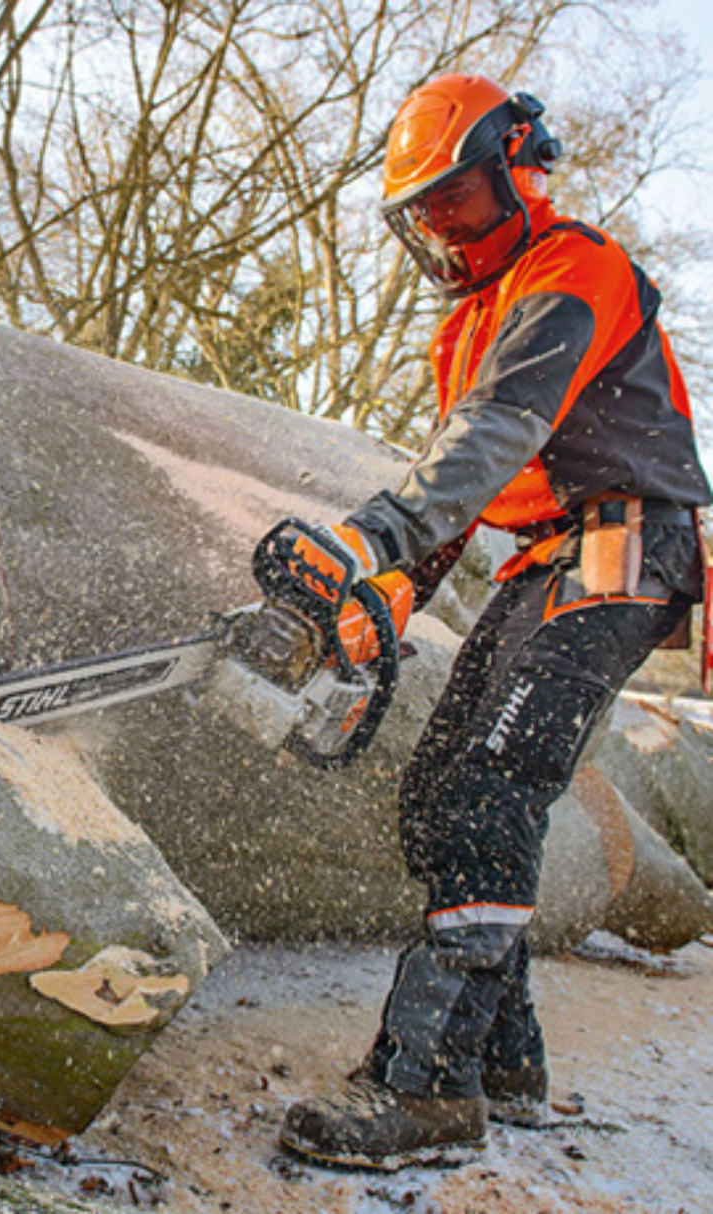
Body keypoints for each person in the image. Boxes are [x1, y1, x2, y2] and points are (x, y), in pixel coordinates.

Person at [276, 72, 712, 1171]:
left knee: (488, 787)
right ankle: (503, 1064)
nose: (440, 226)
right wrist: (390, 585)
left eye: (456, 200)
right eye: (422, 210)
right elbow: (457, 482)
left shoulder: (574, 268)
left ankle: (424, 1089)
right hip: (540, 557)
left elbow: (496, 431)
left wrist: (367, 533)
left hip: (622, 541)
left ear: (517, 166)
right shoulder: (461, 325)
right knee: (436, 797)